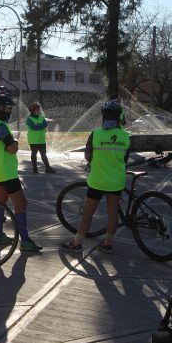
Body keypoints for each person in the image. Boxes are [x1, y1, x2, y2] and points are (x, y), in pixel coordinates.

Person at [61, 99, 130, 253]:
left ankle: (77, 242)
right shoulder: (126, 137)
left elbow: (87, 157)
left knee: (88, 213)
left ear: (104, 117)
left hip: (97, 181)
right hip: (116, 182)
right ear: (119, 118)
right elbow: (125, 159)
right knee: (113, 213)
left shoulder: (96, 135)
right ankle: (107, 243)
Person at [0, 88, 42, 252]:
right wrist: (16, 142)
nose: (9, 111)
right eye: (7, 108)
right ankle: (25, 241)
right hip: (8, 173)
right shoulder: (2, 127)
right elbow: (11, 148)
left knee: (1, 203)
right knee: (21, 204)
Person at [26, 102, 55, 174]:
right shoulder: (29, 119)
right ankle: (35, 169)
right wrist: (40, 126)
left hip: (42, 140)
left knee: (44, 155)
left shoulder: (42, 117)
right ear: (32, 111)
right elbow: (34, 127)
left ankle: (48, 168)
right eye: (36, 110)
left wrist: (38, 126)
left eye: (38, 110)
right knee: (34, 154)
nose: (38, 111)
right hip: (33, 140)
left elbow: (45, 124)